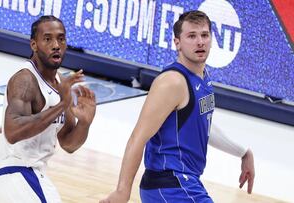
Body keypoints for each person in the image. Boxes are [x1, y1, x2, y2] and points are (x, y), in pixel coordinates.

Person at [100, 10, 254, 203]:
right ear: (177, 42)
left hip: (184, 183)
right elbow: (137, 138)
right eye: (191, 36)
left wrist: (242, 152)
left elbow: (201, 125)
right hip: (170, 184)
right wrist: (122, 191)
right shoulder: (172, 82)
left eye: (204, 35)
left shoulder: (202, 78)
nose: (200, 42)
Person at [0, 15, 96, 203]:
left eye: (61, 39)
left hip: (32, 177)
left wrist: (85, 123)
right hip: (18, 174)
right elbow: (12, 131)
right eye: (48, 39)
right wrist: (63, 105)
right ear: (34, 45)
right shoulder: (25, 79)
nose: (56, 45)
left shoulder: (59, 85)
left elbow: (69, 144)